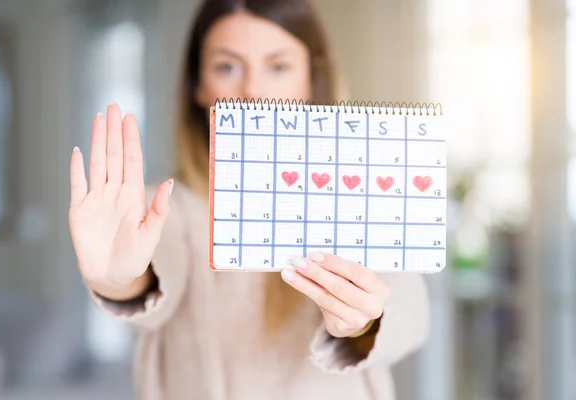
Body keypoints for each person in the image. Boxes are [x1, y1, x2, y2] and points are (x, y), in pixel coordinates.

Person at [68, 0, 429, 399]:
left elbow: (411, 313)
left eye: (278, 66)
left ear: (312, 78)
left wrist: (361, 322)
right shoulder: (165, 208)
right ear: (199, 87)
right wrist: (119, 281)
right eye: (227, 67)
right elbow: (154, 267)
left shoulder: (362, 189)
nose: (253, 90)